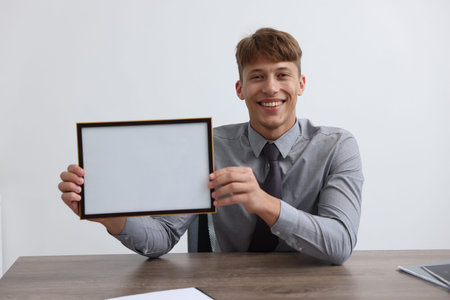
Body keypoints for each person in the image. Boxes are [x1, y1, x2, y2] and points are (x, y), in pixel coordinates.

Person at [58, 27, 363, 265]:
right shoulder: (209, 147)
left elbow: (339, 245)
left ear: (301, 84)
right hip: (222, 287)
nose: (271, 87)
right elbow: (163, 237)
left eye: (283, 74)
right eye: (257, 77)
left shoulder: (337, 147)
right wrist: (109, 214)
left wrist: (265, 203)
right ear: (240, 89)